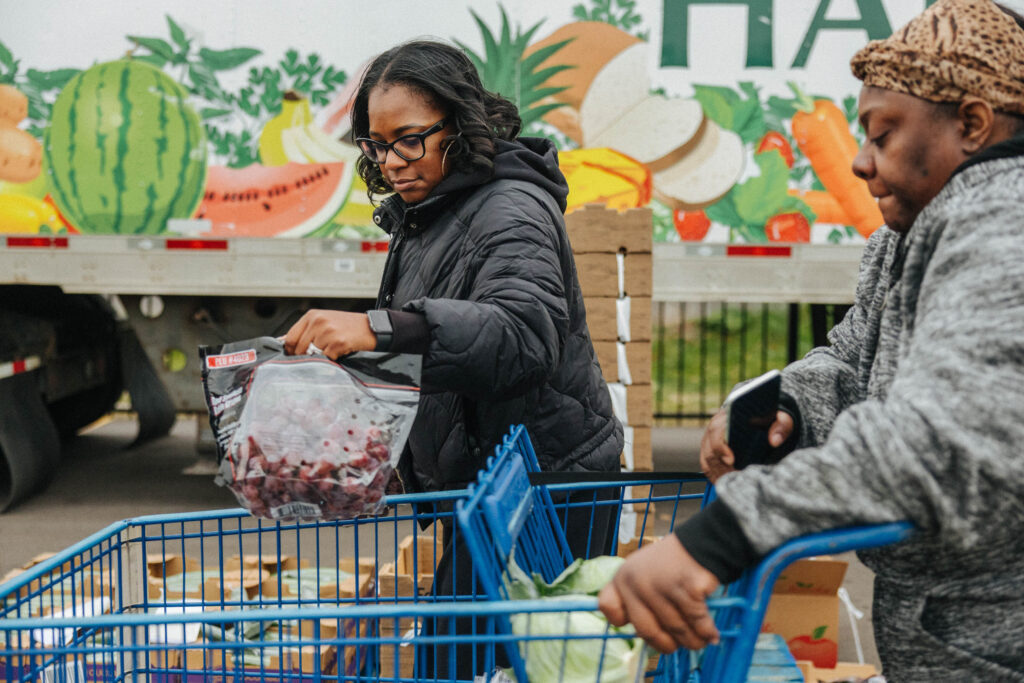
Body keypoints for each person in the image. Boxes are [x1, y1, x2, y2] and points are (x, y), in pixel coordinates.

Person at [598, 0, 1024, 680]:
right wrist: (787, 403)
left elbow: (939, 436)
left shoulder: (1004, 224)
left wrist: (719, 537)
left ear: (972, 124)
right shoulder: (908, 234)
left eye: (883, 134)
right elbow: (854, 357)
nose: (858, 162)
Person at [282, 39, 623, 676]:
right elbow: (443, 357)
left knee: (462, 667)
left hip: (547, 494)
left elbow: (523, 336)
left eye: (409, 138)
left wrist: (380, 330)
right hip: (494, 491)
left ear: (459, 126)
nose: (392, 162)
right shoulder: (431, 213)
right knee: (455, 663)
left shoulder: (510, 207)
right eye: (376, 146)